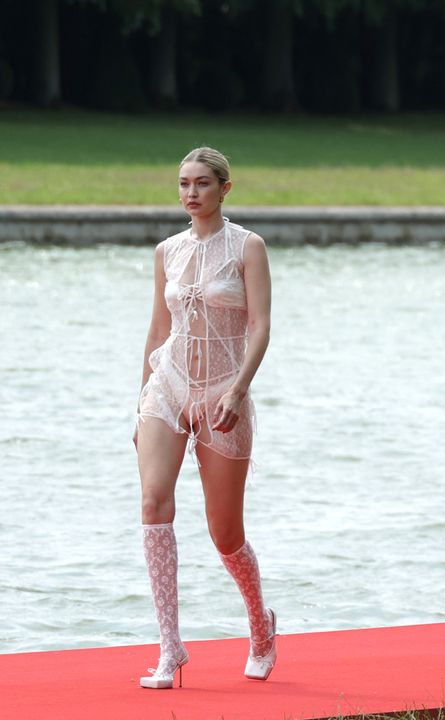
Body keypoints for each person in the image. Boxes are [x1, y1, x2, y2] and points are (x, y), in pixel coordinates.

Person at [134, 147, 276, 688]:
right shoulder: (166, 251)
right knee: (152, 501)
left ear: (224, 188)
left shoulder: (248, 247)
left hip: (223, 390)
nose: (191, 193)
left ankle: (261, 627)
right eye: (183, 184)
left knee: (225, 533)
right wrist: (140, 401)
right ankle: (170, 649)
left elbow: (260, 327)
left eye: (201, 184)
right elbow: (155, 331)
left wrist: (238, 390)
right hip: (167, 387)